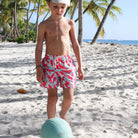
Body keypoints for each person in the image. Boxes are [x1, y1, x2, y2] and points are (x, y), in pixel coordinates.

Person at [35, 0, 84, 125]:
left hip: (67, 62)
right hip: (50, 63)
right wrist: (38, 68)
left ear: (66, 7)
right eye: (55, 7)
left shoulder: (69, 23)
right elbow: (39, 47)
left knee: (69, 96)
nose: (59, 10)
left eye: (62, 7)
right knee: (52, 97)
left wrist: (80, 67)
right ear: (49, 5)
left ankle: (62, 115)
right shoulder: (44, 25)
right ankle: (51, 123)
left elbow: (75, 45)